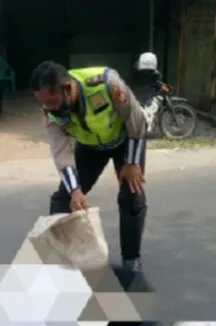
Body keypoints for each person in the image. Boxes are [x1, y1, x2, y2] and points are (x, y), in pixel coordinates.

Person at [31, 61, 148, 271]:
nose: (49, 108)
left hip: (125, 141)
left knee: (132, 196)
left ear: (67, 88)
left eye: (53, 101)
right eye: (44, 104)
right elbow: (61, 151)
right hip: (90, 147)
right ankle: (63, 257)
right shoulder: (51, 111)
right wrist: (75, 189)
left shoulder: (106, 84)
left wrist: (131, 163)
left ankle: (131, 259)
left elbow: (136, 119)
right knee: (65, 198)